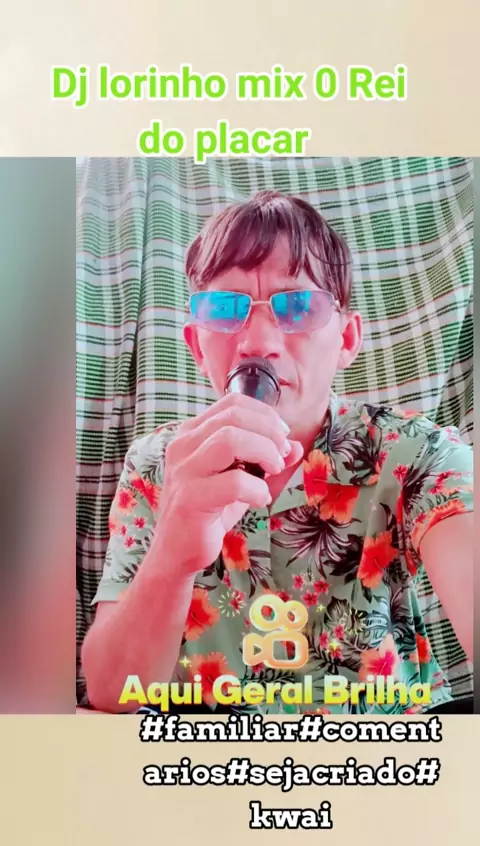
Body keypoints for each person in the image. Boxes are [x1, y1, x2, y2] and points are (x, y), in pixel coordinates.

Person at [81, 190, 473, 715]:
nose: (257, 342)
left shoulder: (416, 453)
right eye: (226, 310)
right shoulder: (156, 464)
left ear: (346, 340)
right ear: (197, 347)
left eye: (299, 306)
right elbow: (110, 693)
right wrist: (170, 558)